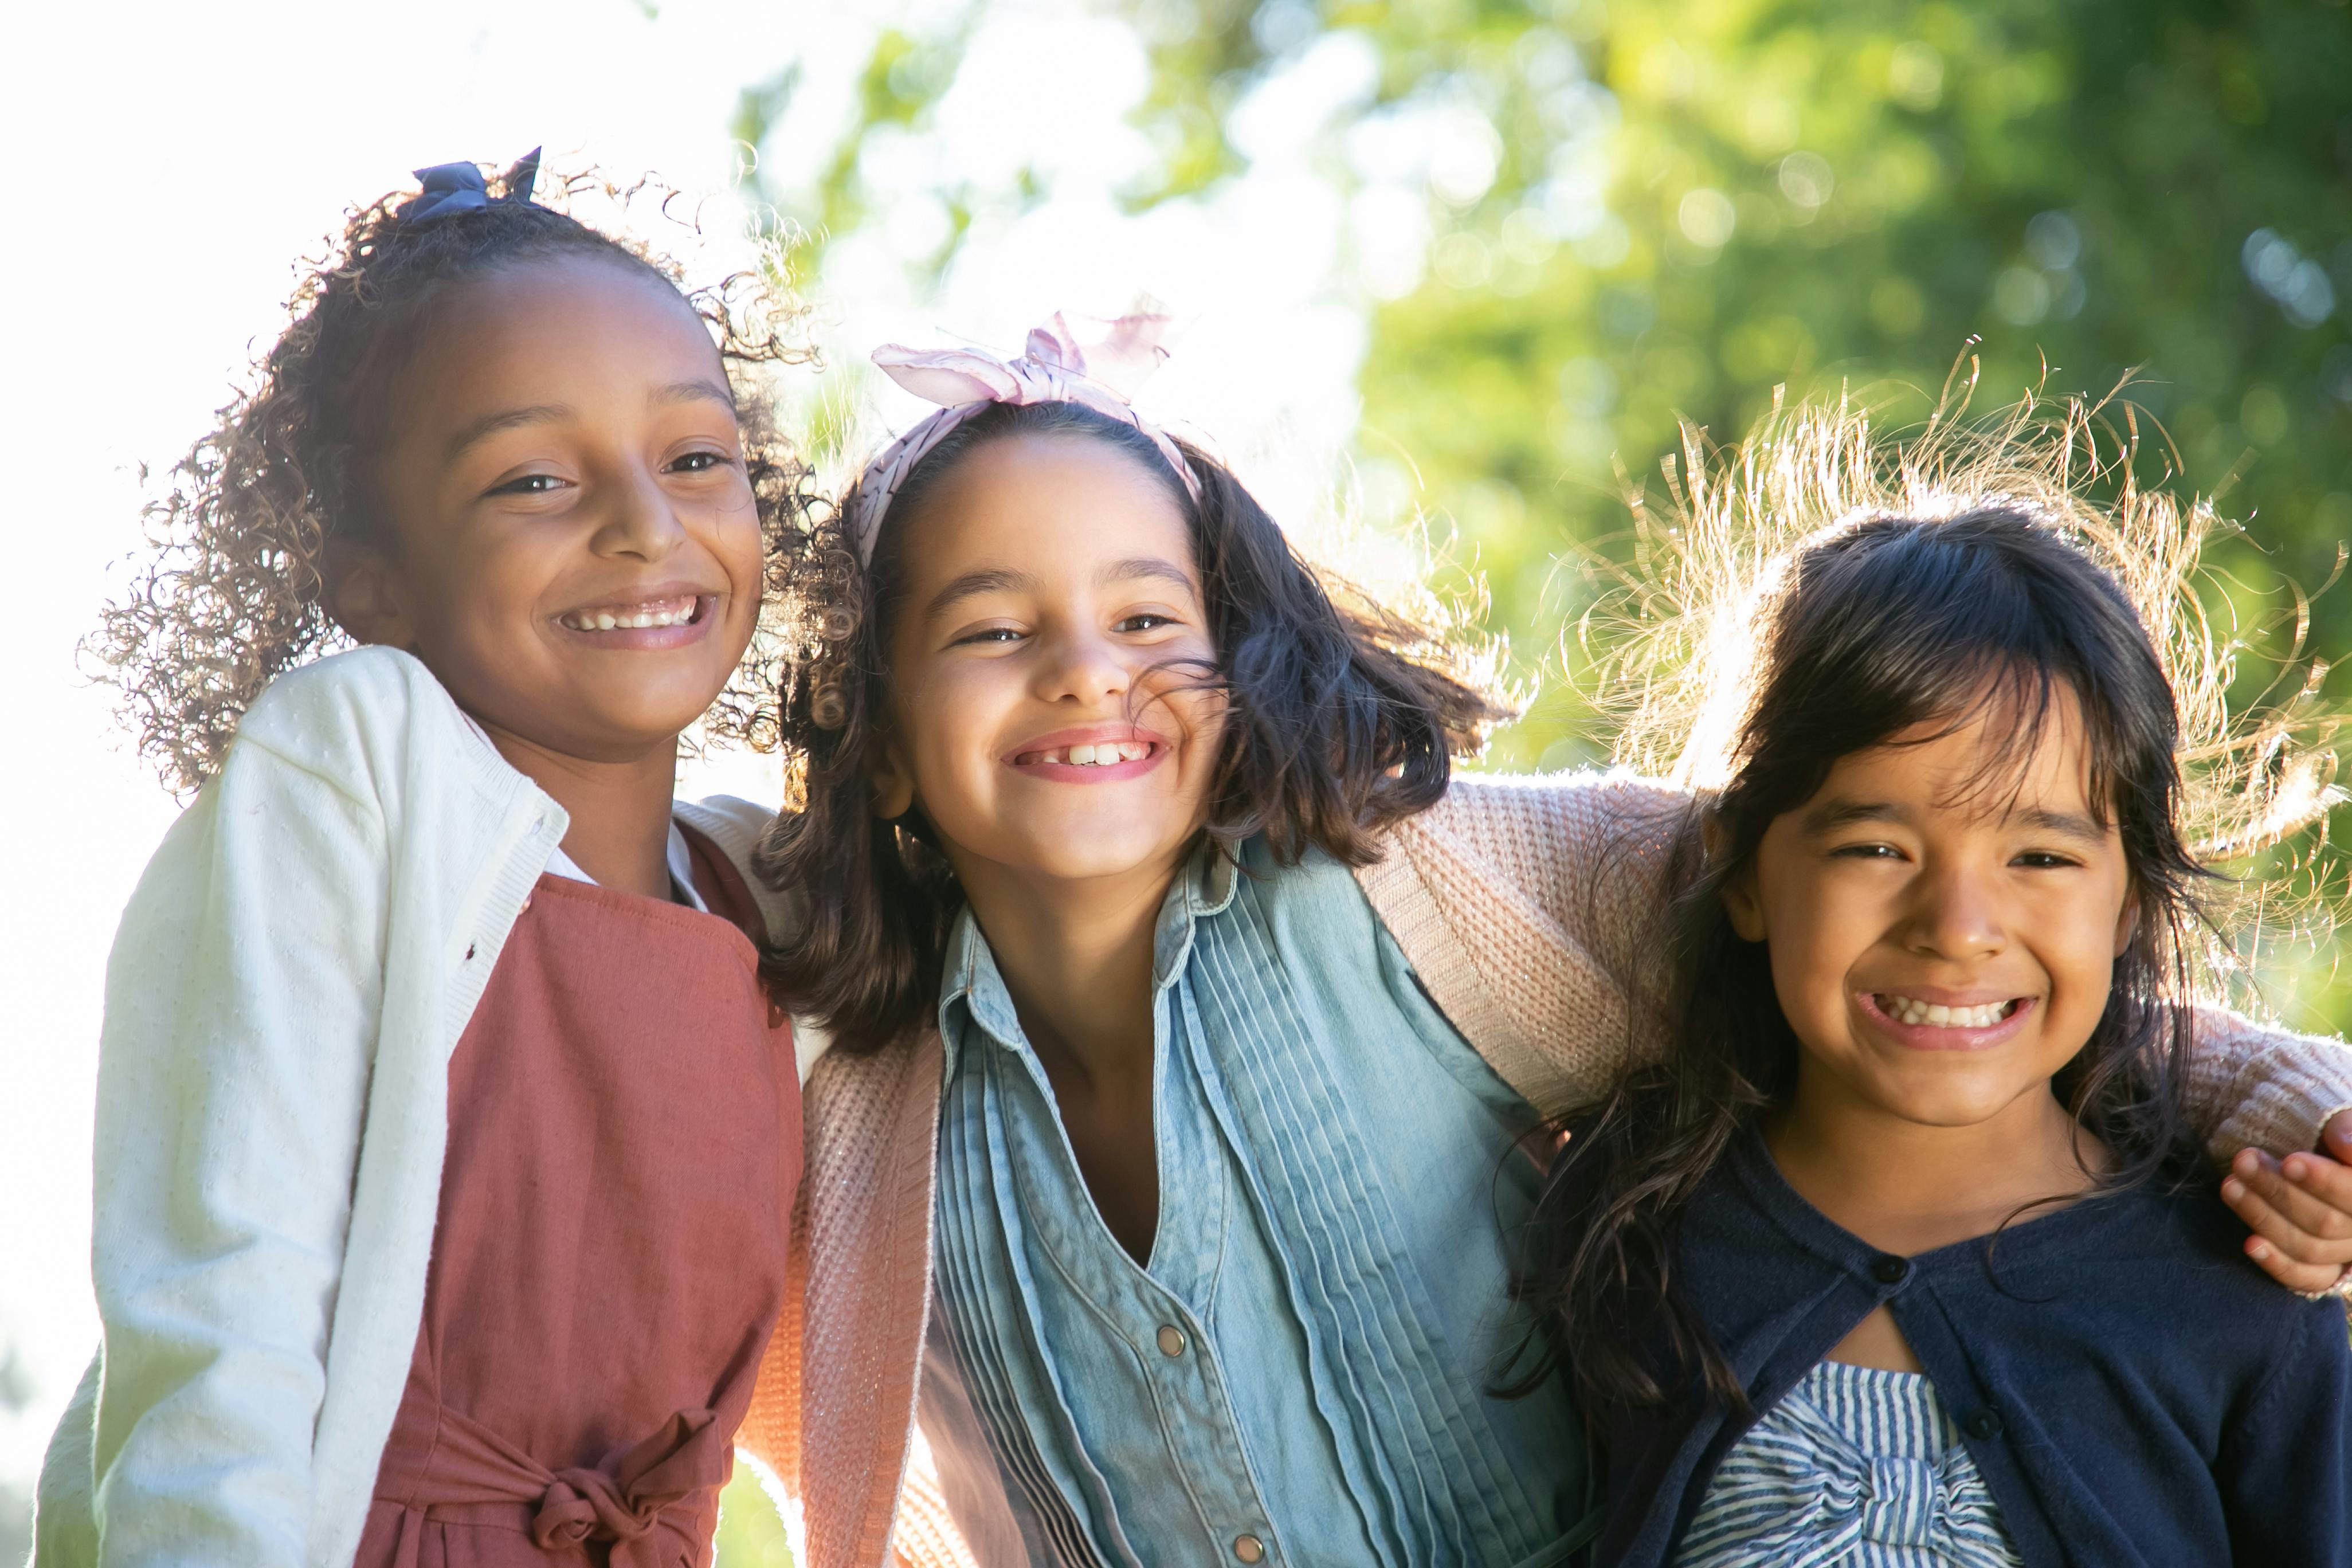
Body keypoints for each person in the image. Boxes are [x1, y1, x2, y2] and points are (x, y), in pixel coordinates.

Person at [748, 324, 2352, 1568]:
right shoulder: (838, 1061)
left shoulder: (1418, 885)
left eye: (1150, 617)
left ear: (1242, 657)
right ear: (876, 737)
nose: (1090, 671)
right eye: (993, 628)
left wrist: (2296, 1114)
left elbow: (1927, 960)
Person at [33, 154, 816, 1568]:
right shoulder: (357, 761)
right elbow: (225, 1310)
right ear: (367, 574)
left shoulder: (768, 891)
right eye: (531, 477)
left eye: (697, 457)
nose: (648, 523)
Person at [1513, 402, 2352, 1566]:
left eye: (2041, 857)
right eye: (1876, 848)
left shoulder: (2248, 1304)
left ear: (2130, 900)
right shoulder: (1615, 1233)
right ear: (1744, 876)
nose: (1957, 930)